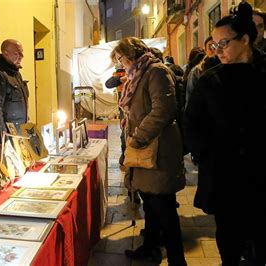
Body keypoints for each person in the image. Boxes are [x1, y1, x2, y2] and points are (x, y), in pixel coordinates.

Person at [184, 2, 266, 264]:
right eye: (215, 44)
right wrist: (205, 155)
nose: (217, 50)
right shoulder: (210, 79)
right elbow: (191, 123)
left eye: (224, 43)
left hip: (261, 174)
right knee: (229, 238)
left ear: (245, 39)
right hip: (224, 175)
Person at [112, 37, 186, 265]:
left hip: (158, 151)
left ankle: (177, 259)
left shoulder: (156, 71)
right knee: (151, 204)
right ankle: (151, 247)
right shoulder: (138, 74)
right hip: (145, 151)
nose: (120, 63)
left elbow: (163, 110)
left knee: (164, 208)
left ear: (131, 54)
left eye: (120, 58)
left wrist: (137, 138)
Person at [0, 39, 28, 158]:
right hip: (4, 140)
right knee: (7, 173)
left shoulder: (15, 73)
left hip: (17, 136)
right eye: (17, 53)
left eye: (22, 53)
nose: (21, 57)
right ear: (5, 53)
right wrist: (2, 140)